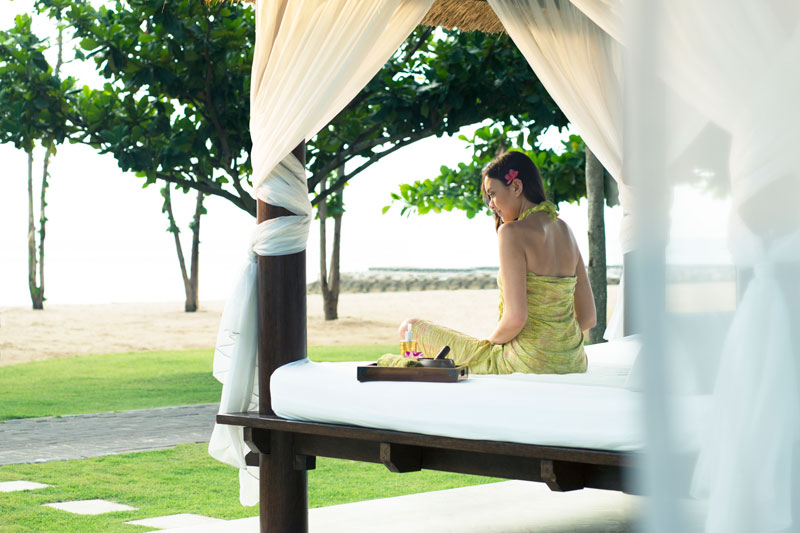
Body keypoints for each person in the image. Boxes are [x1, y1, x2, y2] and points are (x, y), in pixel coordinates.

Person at [399, 151, 596, 374]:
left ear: (516, 187)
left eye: (492, 194)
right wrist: (555, 342)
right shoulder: (565, 230)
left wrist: (487, 346)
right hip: (573, 360)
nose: (491, 205)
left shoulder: (511, 232)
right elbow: (589, 317)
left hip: (528, 362)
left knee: (410, 328)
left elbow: (516, 318)